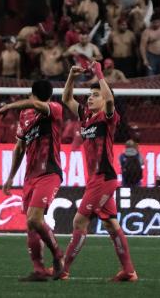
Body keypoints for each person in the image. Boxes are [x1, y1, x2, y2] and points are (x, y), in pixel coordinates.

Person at [59, 62, 137, 282]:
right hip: (96, 179)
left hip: (104, 179)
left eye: (95, 95)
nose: (90, 98)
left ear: (104, 100)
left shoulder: (108, 118)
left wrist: (99, 72)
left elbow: (111, 99)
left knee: (79, 222)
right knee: (111, 224)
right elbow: (66, 99)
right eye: (89, 95)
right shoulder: (84, 116)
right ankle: (129, 271)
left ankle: (63, 269)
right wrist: (71, 77)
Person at [0, 80, 64, 281]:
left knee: (34, 218)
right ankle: (39, 270)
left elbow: (37, 105)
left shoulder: (55, 109)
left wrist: (7, 106)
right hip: (30, 177)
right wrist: (10, 177)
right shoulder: (24, 115)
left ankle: (58, 255)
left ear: (32, 94)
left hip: (50, 172)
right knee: (30, 224)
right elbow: (19, 148)